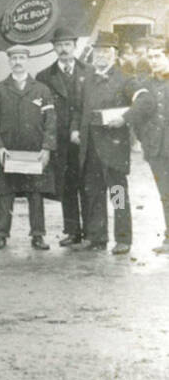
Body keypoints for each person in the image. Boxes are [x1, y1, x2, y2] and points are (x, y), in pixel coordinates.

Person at [75, 30, 157, 255]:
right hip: (90, 148)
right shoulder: (87, 79)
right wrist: (75, 130)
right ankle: (96, 237)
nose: (101, 56)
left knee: (118, 194)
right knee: (93, 194)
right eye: (98, 52)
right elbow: (79, 109)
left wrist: (124, 118)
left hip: (113, 149)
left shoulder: (125, 79)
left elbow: (145, 101)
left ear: (115, 54)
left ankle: (123, 239)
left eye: (106, 51)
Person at [0, 44, 57, 250]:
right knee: (5, 194)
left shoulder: (41, 90)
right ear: (9, 61)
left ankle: (38, 235)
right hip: (7, 151)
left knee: (36, 194)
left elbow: (51, 120)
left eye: (21, 58)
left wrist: (47, 148)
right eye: (14, 58)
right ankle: (0, 235)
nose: (17, 62)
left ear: (27, 60)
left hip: (34, 151)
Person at [36, 25, 89, 246]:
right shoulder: (45, 76)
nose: (64, 49)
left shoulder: (90, 72)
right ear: (54, 48)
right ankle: (73, 231)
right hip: (62, 142)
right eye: (59, 45)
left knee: (95, 188)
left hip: (86, 141)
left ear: (75, 46)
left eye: (67, 44)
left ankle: (99, 232)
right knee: (67, 187)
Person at [143, 50, 169, 253]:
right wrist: (145, 138)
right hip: (156, 149)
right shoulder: (145, 84)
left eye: (157, 56)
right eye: (150, 57)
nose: (153, 61)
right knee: (165, 195)